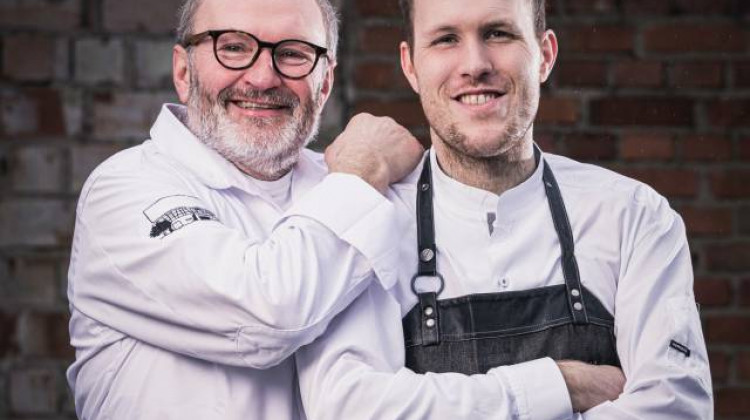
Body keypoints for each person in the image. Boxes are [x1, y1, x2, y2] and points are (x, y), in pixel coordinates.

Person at [295, 0, 713, 418]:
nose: (475, 65)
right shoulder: (369, 224)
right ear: (411, 67)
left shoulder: (634, 217)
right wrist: (562, 386)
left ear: (544, 55)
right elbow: (349, 409)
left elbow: (676, 409)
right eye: (446, 39)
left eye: (498, 33)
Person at [65, 0, 424, 418]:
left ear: (325, 82)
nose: (262, 78)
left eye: (293, 53)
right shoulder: (124, 187)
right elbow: (269, 314)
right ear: (183, 72)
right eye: (233, 47)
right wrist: (362, 172)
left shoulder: (352, 184)